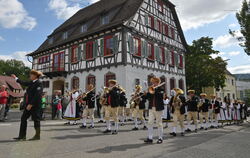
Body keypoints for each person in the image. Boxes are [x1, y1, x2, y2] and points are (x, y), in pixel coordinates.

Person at [12, 70, 43, 141]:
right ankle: (22, 136)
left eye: (31, 75)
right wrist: (16, 78)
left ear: (35, 76)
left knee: (36, 120)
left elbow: (37, 95)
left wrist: (31, 104)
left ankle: (37, 135)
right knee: (23, 118)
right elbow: (24, 83)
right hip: (28, 105)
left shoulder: (39, 83)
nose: (30, 76)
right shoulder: (32, 82)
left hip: (35, 105)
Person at [144, 77, 164, 144]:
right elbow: (147, 98)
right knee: (150, 123)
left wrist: (154, 91)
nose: (153, 83)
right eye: (152, 82)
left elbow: (160, 96)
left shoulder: (161, 89)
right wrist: (146, 93)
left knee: (159, 123)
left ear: (158, 82)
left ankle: (160, 138)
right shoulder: (151, 89)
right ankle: (150, 138)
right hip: (151, 108)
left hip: (158, 108)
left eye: (155, 82)